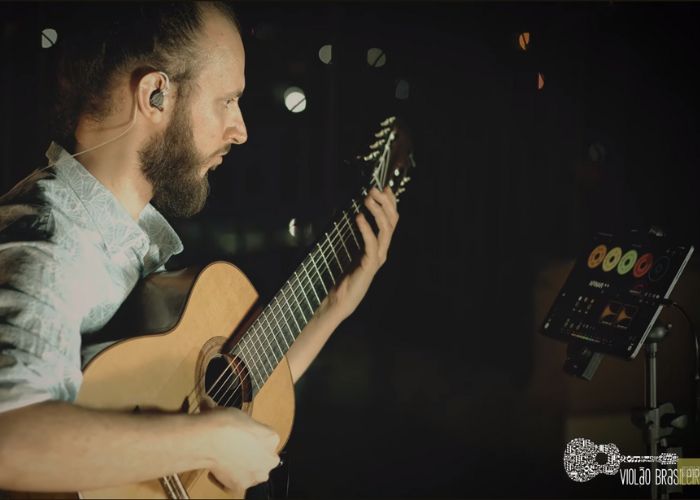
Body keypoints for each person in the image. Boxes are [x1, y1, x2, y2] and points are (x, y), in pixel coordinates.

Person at [0, 2, 398, 494]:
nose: (241, 129)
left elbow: (211, 406)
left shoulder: (121, 244)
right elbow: (11, 442)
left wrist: (333, 308)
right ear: (156, 95)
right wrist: (211, 439)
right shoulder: (51, 244)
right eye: (227, 101)